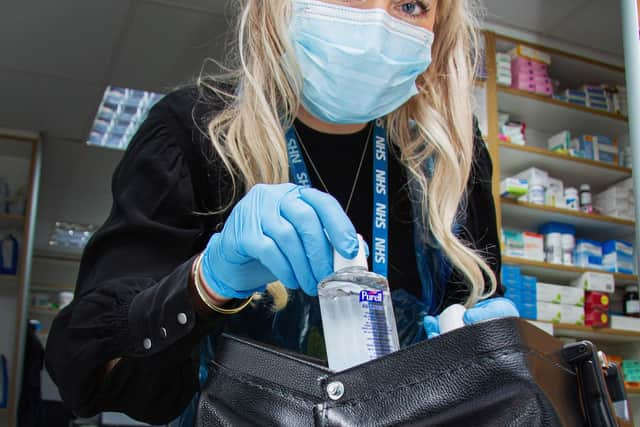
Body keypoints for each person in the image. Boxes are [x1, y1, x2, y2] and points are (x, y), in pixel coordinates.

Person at [45, 0, 518, 425]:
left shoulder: (446, 158)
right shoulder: (191, 132)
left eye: (412, 5)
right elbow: (87, 375)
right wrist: (205, 284)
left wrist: (486, 356)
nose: (377, 24)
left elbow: (477, 334)